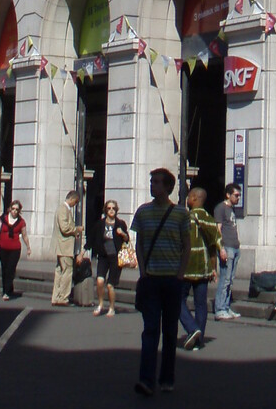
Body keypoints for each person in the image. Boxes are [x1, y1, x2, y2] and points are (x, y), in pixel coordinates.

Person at [131, 168, 191, 396]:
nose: (152, 185)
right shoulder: (143, 212)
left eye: (156, 182)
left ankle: (167, 378)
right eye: (151, 181)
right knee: (150, 330)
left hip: (172, 280)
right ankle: (146, 380)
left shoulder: (181, 214)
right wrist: (143, 271)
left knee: (169, 332)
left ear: (168, 187)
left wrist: (180, 274)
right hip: (152, 280)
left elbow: (186, 245)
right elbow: (139, 244)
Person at [178, 187, 223, 350]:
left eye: (189, 197)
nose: (187, 199)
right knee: (201, 304)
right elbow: (214, 243)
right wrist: (213, 267)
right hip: (203, 267)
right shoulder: (208, 218)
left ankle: (192, 328)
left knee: (177, 299)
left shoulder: (187, 217)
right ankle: (199, 340)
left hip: (187, 265)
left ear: (194, 198)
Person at [93, 200, 130, 317]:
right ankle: (100, 304)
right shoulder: (100, 224)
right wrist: (84, 251)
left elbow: (127, 239)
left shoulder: (120, 224)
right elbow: (93, 238)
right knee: (99, 281)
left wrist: (122, 234)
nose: (111, 210)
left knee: (110, 285)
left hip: (116, 257)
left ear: (116, 210)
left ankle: (112, 307)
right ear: (105, 210)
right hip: (103, 256)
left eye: (113, 208)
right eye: (109, 208)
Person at [213, 183, 243, 321]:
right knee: (225, 279)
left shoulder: (232, 209)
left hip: (235, 247)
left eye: (239, 195)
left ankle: (225, 306)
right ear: (228, 195)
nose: (238, 198)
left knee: (230, 280)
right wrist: (222, 248)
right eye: (236, 195)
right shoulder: (221, 208)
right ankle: (220, 309)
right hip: (227, 247)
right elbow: (218, 229)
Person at [0, 198, 30, 298]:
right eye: (13, 209)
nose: (14, 211)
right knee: (4, 269)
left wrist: (28, 247)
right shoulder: (3, 219)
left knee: (10, 269)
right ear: (10, 209)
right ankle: (7, 289)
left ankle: (6, 292)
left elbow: (25, 235)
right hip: (3, 248)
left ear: (19, 211)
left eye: (17, 209)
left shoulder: (21, 222)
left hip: (15, 249)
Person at [51, 189, 82, 305]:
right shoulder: (63, 209)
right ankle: (63, 297)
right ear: (72, 199)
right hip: (65, 247)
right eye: (76, 202)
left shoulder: (62, 209)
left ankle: (56, 297)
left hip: (62, 247)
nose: (75, 205)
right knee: (67, 271)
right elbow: (64, 228)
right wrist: (76, 230)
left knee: (60, 271)